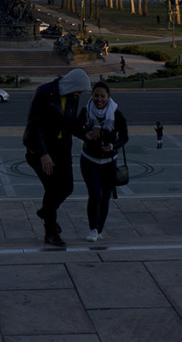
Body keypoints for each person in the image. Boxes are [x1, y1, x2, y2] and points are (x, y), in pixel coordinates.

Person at [23, 67, 90, 247]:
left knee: (67, 187)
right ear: (71, 85)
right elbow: (34, 125)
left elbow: (69, 124)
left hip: (62, 148)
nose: (79, 94)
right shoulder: (44, 93)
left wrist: (86, 135)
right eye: (78, 90)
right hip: (41, 150)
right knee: (52, 189)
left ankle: (46, 211)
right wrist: (43, 154)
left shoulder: (72, 97)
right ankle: (50, 232)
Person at [79, 81, 129, 243]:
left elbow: (124, 137)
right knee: (95, 194)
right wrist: (85, 134)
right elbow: (74, 127)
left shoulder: (117, 115)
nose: (99, 99)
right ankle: (93, 229)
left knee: (105, 197)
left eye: (102, 96)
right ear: (91, 96)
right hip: (89, 160)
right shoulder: (86, 112)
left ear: (108, 97)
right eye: (96, 96)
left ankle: (100, 229)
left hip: (109, 162)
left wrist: (112, 145)